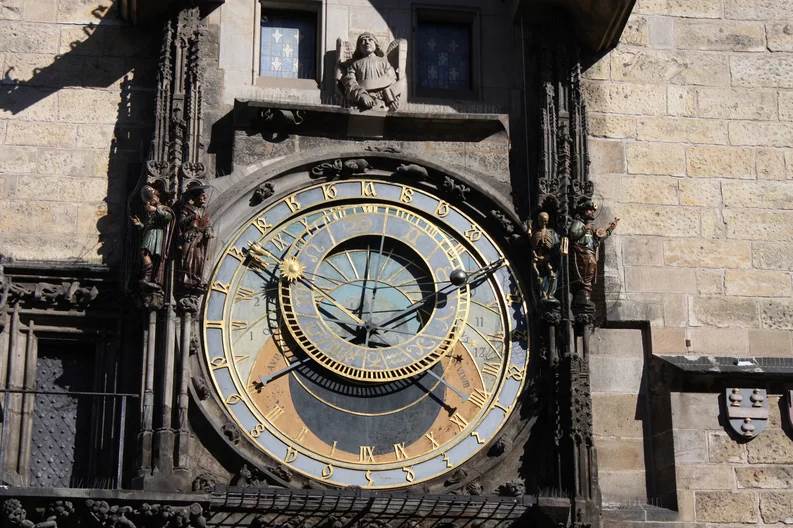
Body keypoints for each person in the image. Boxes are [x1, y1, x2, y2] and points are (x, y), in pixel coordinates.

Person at [569, 198, 619, 304]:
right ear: (583, 211)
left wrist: (610, 229)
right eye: (589, 210)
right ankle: (583, 291)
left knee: (591, 269)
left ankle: (586, 290)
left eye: (593, 210)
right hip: (582, 252)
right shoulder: (578, 223)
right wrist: (584, 229)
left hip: (590, 252)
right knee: (586, 269)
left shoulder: (591, 228)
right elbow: (573, 234)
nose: (592, 212)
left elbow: (600, 236)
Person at [340, 32, 400, 112]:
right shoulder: (355, 64)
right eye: (363, 41)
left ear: (376, 44)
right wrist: (362, 95)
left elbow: (391, 81)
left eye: (370, 40)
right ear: (359, 47)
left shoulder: (384, 63)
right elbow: (349, 82)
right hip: (360, 103)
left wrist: (391, 100)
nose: (367, 42)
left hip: (382, 103)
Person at [131, 185, 174, 290]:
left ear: (158, 198)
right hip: (150, 233)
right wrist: (139, 224)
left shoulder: (163, 208)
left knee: (150, 255)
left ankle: (151, 276)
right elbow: (147, 226)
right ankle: (147, 276)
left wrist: (155, 209)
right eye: (150, 199)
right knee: (144, 253)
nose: (151, 200)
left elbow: (168, 217)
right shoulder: (149, 213)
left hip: (158, 234)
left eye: (153, 197)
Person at [176, 184, 213, 292]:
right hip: (190, 236)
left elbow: (208, 224)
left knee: (199, 258)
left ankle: (196, 278)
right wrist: (192, 217)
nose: (205, 197)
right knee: (187, 258)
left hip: (200, 239)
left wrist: (208, 230)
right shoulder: (187, 208)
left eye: (205, 195)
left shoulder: (204, 211)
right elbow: (181, 222)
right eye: (202, 195)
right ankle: (186, 278)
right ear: (195, 197)